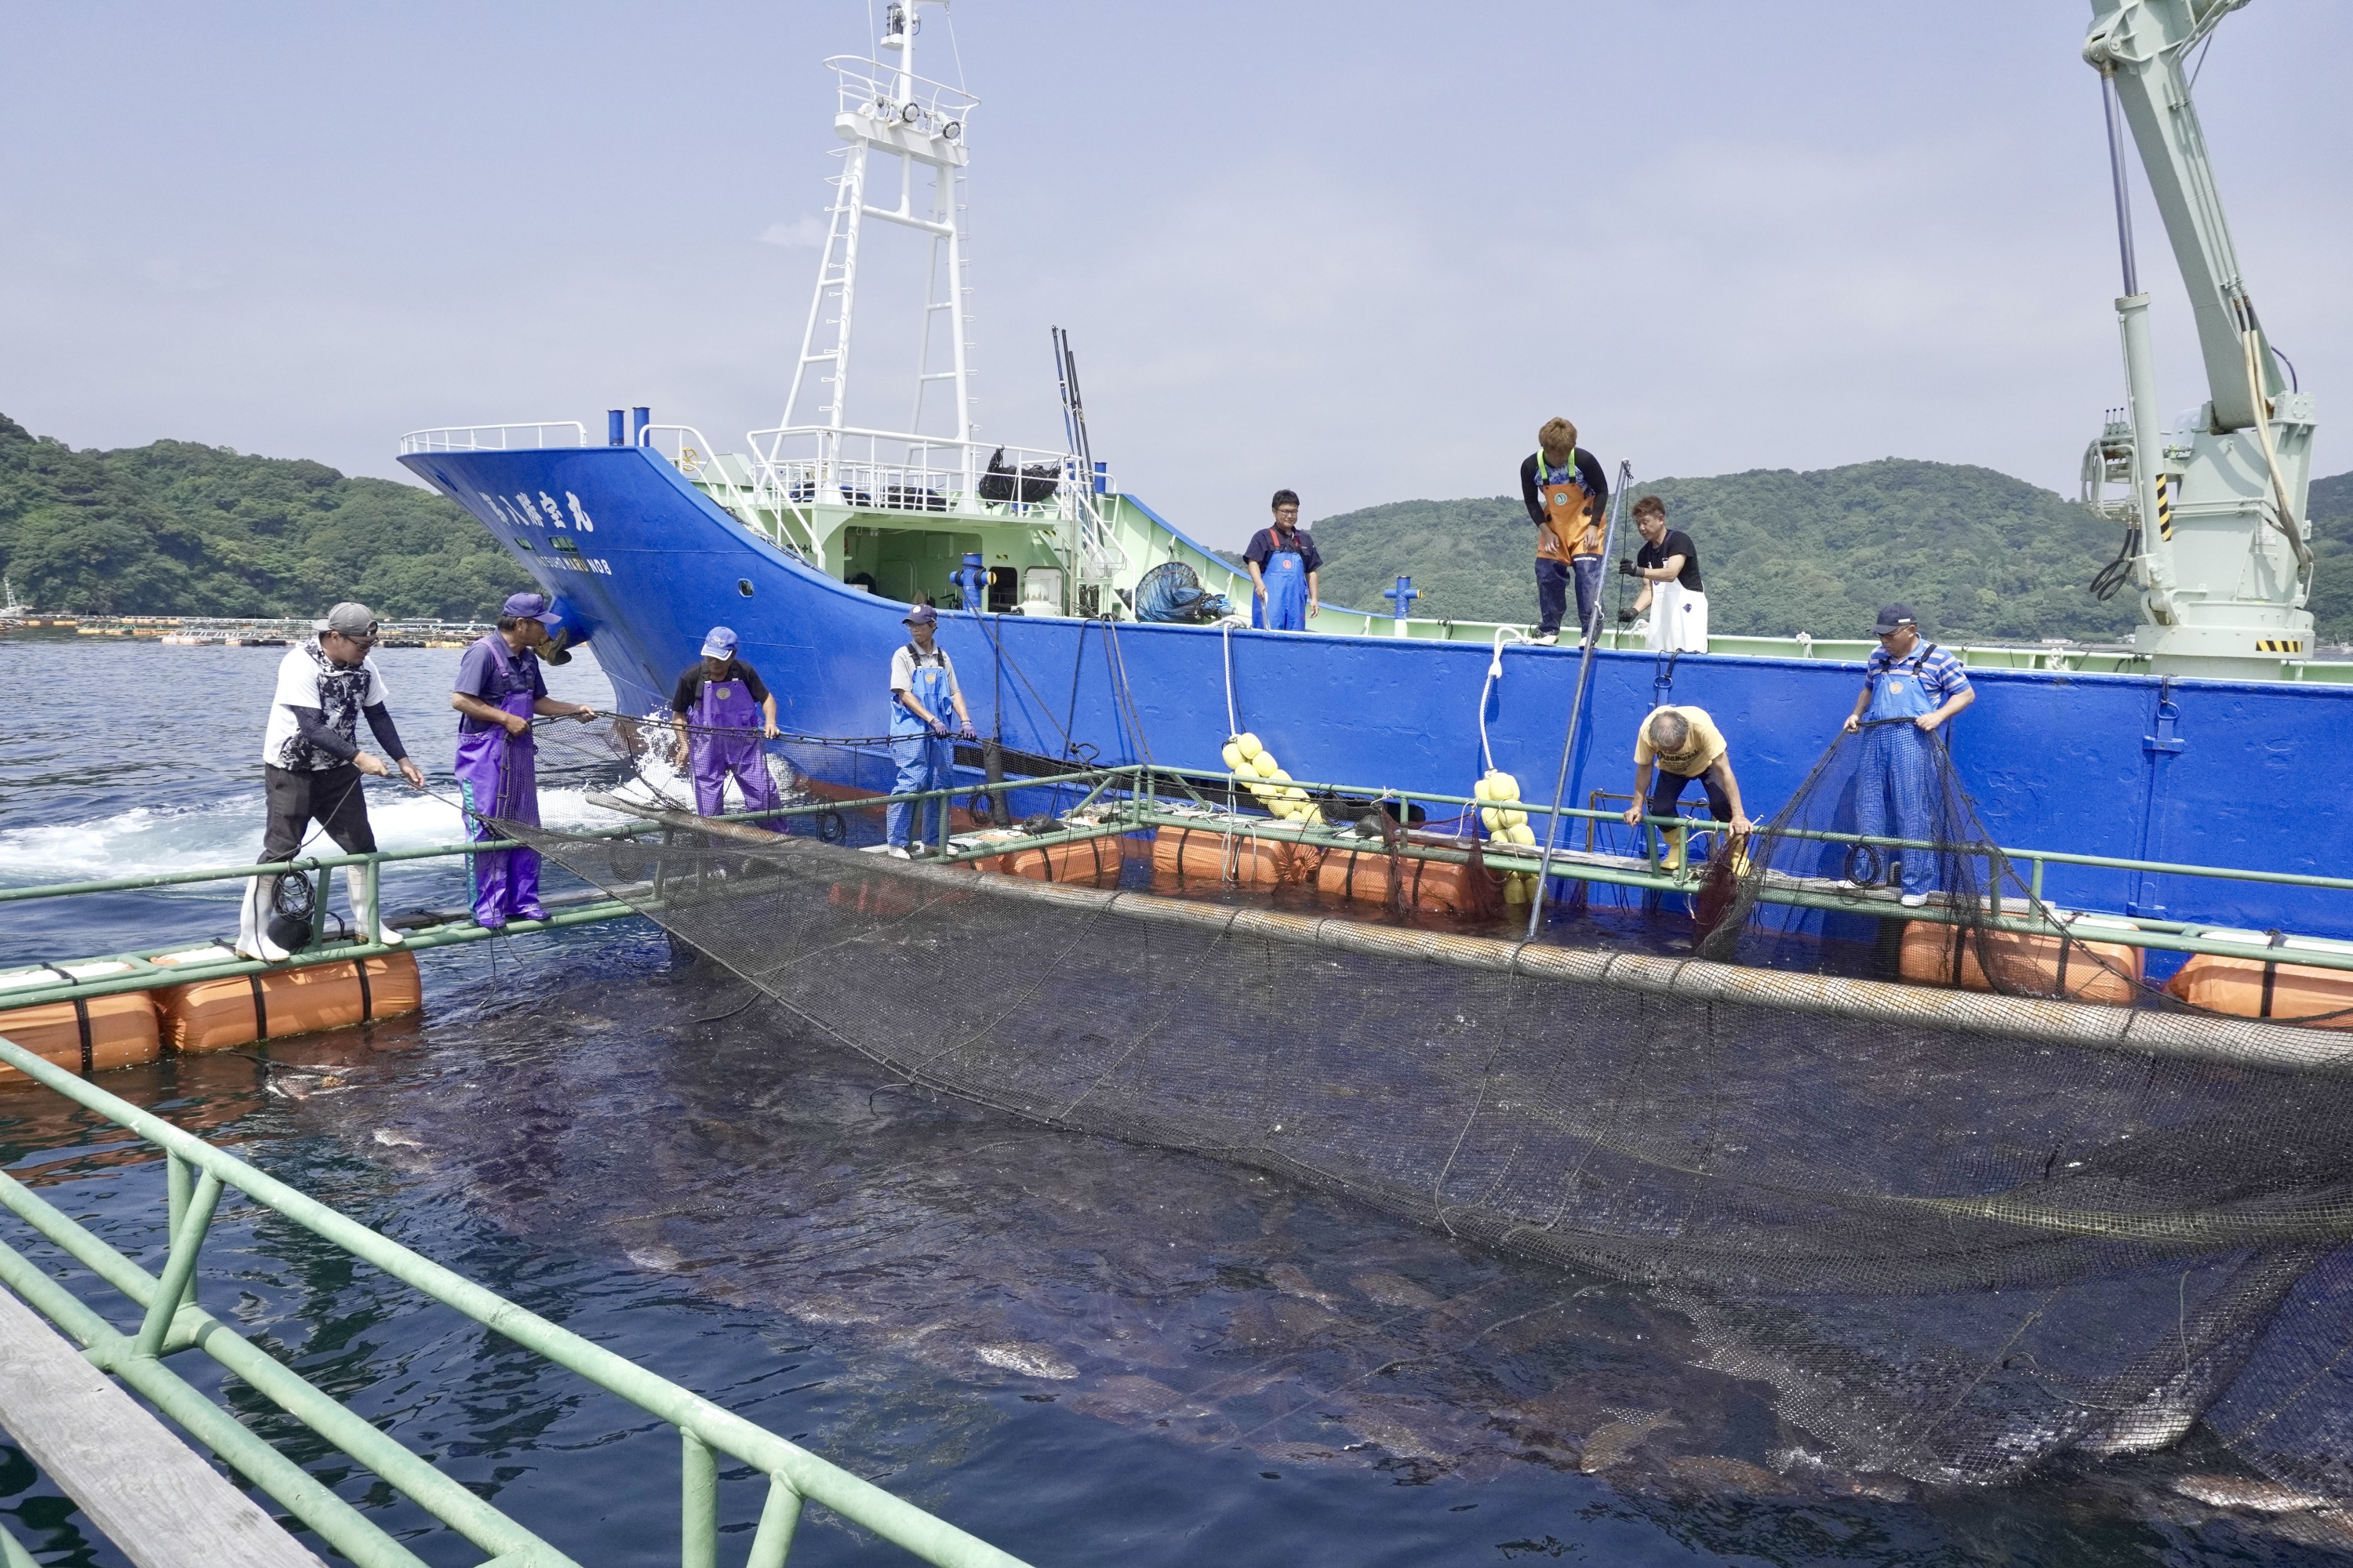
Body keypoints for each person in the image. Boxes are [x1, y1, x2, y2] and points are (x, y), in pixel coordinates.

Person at [237, 602, 427, 961]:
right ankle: (252, 936)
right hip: (292, 767)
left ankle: (367, 924)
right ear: (334, 636)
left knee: (362, 847)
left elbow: (378, 715)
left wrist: (402, 759)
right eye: (361, 644)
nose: (366, 650)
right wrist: (360, 757)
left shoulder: (364, 666)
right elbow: (311, 727)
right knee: (283, 850)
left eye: (370, 644)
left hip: (338, 769)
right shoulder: (299, 664)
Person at [449, 592, 596, 927]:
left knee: (527, 827)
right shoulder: (483, 653)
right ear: (521, 625)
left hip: (519, 752)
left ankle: (524, 902)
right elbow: (460, 700)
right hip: (484, 754)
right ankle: (488, 908)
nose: (545, 631)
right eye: (540, 624)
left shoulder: (528, 659)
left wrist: (574, 709)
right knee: (487, 827)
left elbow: (538, 701)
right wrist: (504, 719)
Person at [1840, 603, 1976, 908]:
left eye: (1890, 635)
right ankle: (1867, 876)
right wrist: (1856, 714)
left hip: (1915, 743)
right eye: (1880, 635)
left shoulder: (1938, 657)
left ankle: (1916, 886)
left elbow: (1966, 693)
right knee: (1869, 806)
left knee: (1913, 811)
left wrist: (1938, 716)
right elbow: (1868, 688)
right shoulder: (1877, 657)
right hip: (1876, 738)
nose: (1884, 641)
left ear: (1910, 631)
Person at [882, 604, 976, 857]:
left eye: (919, 625)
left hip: (940, 736)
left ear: (933, 625)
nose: (914, 629)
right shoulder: (902, 656)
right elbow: (904, 694)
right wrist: (932, 719)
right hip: (911, 733)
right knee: (912, 782)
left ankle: (934, 842)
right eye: (911, 625)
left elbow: (955, 692)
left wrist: (965, 720)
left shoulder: (943, 658)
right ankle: (897, 843)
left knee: (940, 784)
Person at [670, 627, 783, 825]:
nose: (714, 663)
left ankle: (778, 843)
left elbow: (767, 699)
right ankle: (718, 853)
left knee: (764, 795)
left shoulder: (745, 672)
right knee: (710, 809)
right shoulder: (691, 677)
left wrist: (771, 722)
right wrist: (684, 744)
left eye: (720, 658)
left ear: (733, 655)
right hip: (706, 749)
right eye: (710, 657)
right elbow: (678, 714)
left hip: (744, 747)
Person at [1620, 706, 1750, 871]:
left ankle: (1738, 853)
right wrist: (1636, 807)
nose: (1672, 752)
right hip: (1671, 770)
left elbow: (1725, 771)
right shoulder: (1647, 732)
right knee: (1660, 810)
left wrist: (1739, 815)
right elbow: (1645, 766)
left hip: (1707, 764)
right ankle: (1677, 849)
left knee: (1722, 804)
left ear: (1686, 733)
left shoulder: (1701, 727)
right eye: (1666, 750)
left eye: (1676, 748)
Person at [1518, 417, 1609, 646]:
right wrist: (1545, 531)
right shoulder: (1530, 466)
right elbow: (1531, 502)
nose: (1561, 458)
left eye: (1566, 453)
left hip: (1585, 525)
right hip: (1554, 528)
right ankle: (1549, 630)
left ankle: (1590, 631)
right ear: (1546, 448)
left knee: (1587, 575)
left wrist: (1593, 526)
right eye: (1557, 454)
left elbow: (1603, 491)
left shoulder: (1583, 460)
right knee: (1547, 573)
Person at [1625, 496, 1708, 653]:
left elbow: (1671, 573)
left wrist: (1638, 571)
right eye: (1638, 524)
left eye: (1645, 522)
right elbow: (1649, 590)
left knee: (1689, 655)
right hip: (1663, 615)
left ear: (1661, 519)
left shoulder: (1679, 541)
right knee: (1657, 656)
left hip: (1687, 612)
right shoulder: (1644, 554)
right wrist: (1634, 610)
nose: (1641, 528)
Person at [1243, 490, 1321, 631]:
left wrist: (1314, 598)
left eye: (1294, 512)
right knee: (1267, 635)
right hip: (1270, 600)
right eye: (1285, 511)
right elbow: (1253, 562)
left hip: (1296, 602)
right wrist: (1259, 584)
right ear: (1274, 511)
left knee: (1295, 637)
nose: (1290, 516)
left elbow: (1311, 571)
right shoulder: (1263, 536)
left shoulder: (1305, 539)